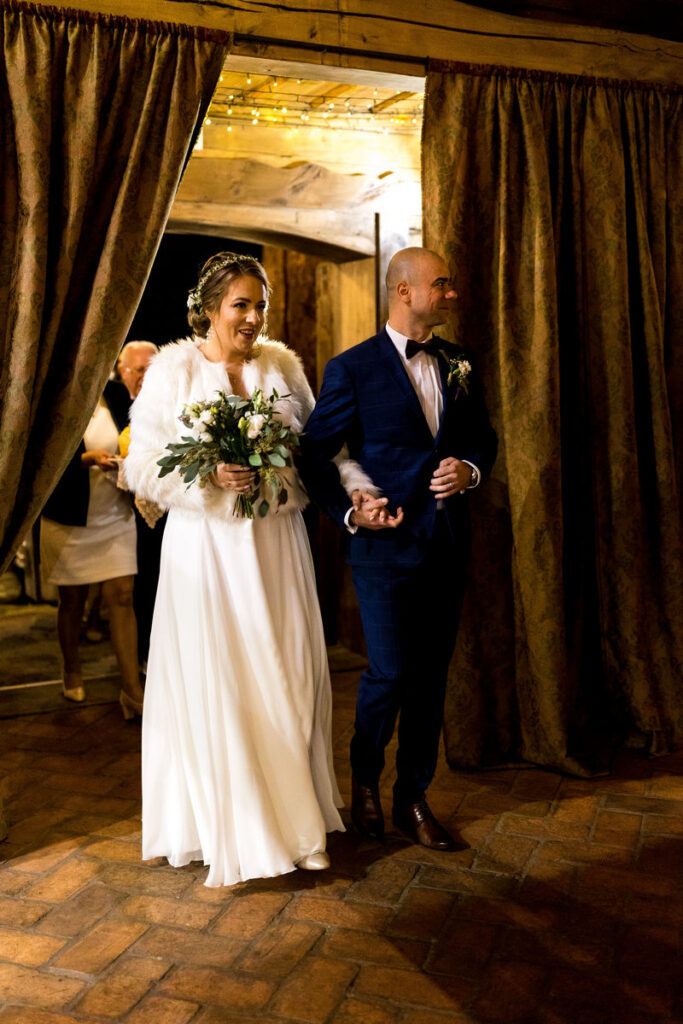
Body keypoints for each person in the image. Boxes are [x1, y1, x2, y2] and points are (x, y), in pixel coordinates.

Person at [125, 252, 372, 887]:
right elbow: (141, 466)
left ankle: (297, 825)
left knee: (286, 673)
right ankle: (238, 828)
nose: (254, 317)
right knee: (225, 681)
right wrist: (206, 477)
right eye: (242, 304)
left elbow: (322, 451)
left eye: (261, 305)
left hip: (276, 544)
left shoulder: (282, 368)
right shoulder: (173, 371)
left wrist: (358, 489)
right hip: (207, 550)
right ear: (209, 309)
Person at [300, 247, 498, 851]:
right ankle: (364, 779)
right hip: (383, 549)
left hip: (447, 545)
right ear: (404, 291)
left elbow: (483, 438)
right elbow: (313, 455)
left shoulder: (459, 362)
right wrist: (349, 512)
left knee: (430, 678)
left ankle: (412, 798)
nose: (452, 294)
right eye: (442, 284)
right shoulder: (352, 368)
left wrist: (469, 469)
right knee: (388, 674)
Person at [40, 380, 146, 718]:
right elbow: (42, 457)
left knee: (123, 596)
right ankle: (71, 667)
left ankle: (131, 689)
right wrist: (86, 459)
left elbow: (134, 436)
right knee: (73, 601)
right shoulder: (54, 394)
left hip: (114, 512)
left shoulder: (115, 393)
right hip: (68, 517)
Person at [117, 340, 165, 667]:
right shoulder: (111, 403)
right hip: (119, 510)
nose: (145, 376)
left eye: (151, 369)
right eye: (138, 370)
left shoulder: (170, 402)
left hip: (165, 506)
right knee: (137, 585)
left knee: (158, 577)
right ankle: (142, 655)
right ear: (123, 372)